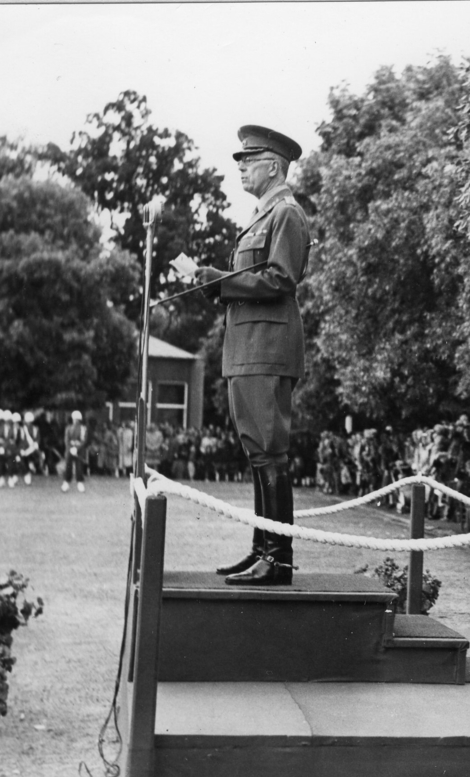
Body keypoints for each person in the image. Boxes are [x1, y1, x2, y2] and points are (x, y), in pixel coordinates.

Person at [184, 125, 310, 586]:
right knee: (259, 452)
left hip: (266, 349)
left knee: (269, 451)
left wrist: (220, 281)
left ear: (273, 166)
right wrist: (215, 283)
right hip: (249, 348)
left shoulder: (286, 214)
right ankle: (263, 549)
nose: (240, 167)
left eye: (248, 160)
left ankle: (278, 558)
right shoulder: (264, 216)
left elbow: (281, 279)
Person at [62, 410, 89, 492]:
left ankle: (80, 483)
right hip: (69, 450)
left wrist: (76, 448)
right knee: (68, 466)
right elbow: (66, 440)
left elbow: (83, 440)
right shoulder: (68, 428)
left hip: (79, 450)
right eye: (74, 419)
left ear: (79, 419)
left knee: (79, 467)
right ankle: (66, 482)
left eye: (77, 419)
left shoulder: (83, 428)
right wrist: (70, 448)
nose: (75, 420)